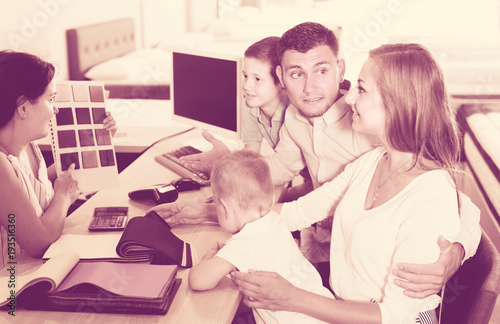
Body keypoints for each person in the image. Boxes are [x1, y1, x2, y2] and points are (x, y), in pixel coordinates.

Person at [151, 22, 481, 298]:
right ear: (281, 77)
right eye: (297, 74)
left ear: (340, 69)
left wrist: (456, 251)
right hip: (323, 250)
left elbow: (449, 196)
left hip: (362, 269)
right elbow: (282, 170)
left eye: (321, 71)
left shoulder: (369, 127)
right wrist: (224, 184)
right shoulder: (295, 119)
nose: (310, 88)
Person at [231, 42, 464, 323]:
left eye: (362, 89)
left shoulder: (432, 195)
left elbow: (394, 316)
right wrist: (219, 211)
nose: (350, 97)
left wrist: (290, 296)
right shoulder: (373, 161)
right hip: (340, 307)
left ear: (399, 101)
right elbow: (296, 214)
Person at [0, 50, 117, 266]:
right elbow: (39, 242)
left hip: (35, 268)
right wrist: (63, 196)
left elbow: (36, 187)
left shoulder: (27, 146)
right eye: (51, 99)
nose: (55, 109)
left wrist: (97, 138)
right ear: (23, 107)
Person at [188, 149, 333, 323]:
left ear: (226, 208)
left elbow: (198, 281)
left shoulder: (244, 244)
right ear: (272, 199)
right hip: (323, 311)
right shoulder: (275, 220)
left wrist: (207, 259)